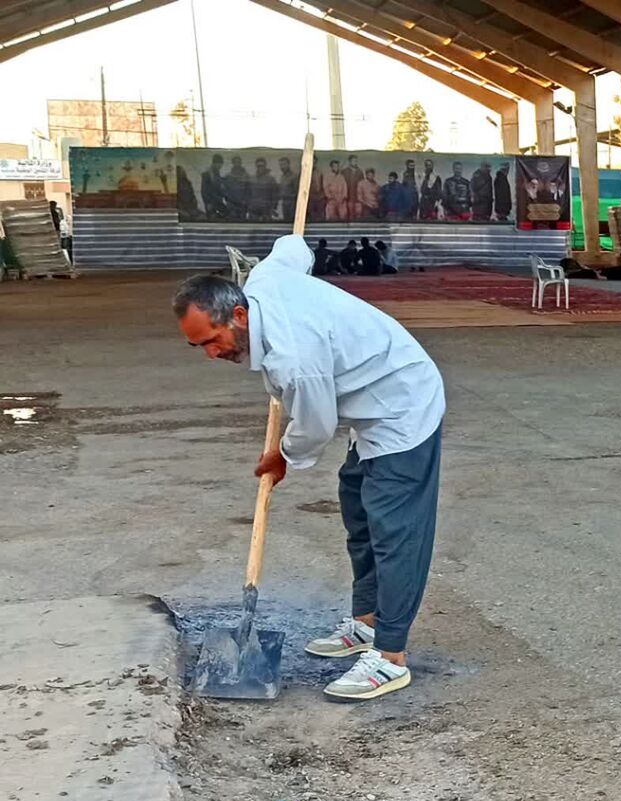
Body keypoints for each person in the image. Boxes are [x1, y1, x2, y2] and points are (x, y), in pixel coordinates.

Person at [172, 235, 445, 701]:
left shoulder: (293, 360)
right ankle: (367, 622)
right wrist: (290, 238)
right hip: (368, 405)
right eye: (199, 345)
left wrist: (282, 453)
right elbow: (293, 246)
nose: (210, 354)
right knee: (357, 506)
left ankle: (390, 657)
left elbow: (315, 426)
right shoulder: (265, 279)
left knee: (395, 530)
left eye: (212, 341)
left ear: (239, 315)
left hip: (401, 406)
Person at [200, 154, 227, 220]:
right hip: (211, 202)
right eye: (218, 163)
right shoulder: (207, 174)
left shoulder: (217, 174)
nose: (220, 166)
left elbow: (219, 189)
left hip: (218, 201)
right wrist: (208, 203)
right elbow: (204, 190)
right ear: (214, 163)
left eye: (221, 164)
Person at [224, 156, 250, 220]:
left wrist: (246, 201)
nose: (237, 164)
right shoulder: (228, 176)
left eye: (238, 162)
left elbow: (249, 190)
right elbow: (225, 191)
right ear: (233, 163)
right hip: (232, 205)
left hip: (242, 205)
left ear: (241, 163)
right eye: (235, 162)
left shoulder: (246, 176)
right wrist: (229, 201)